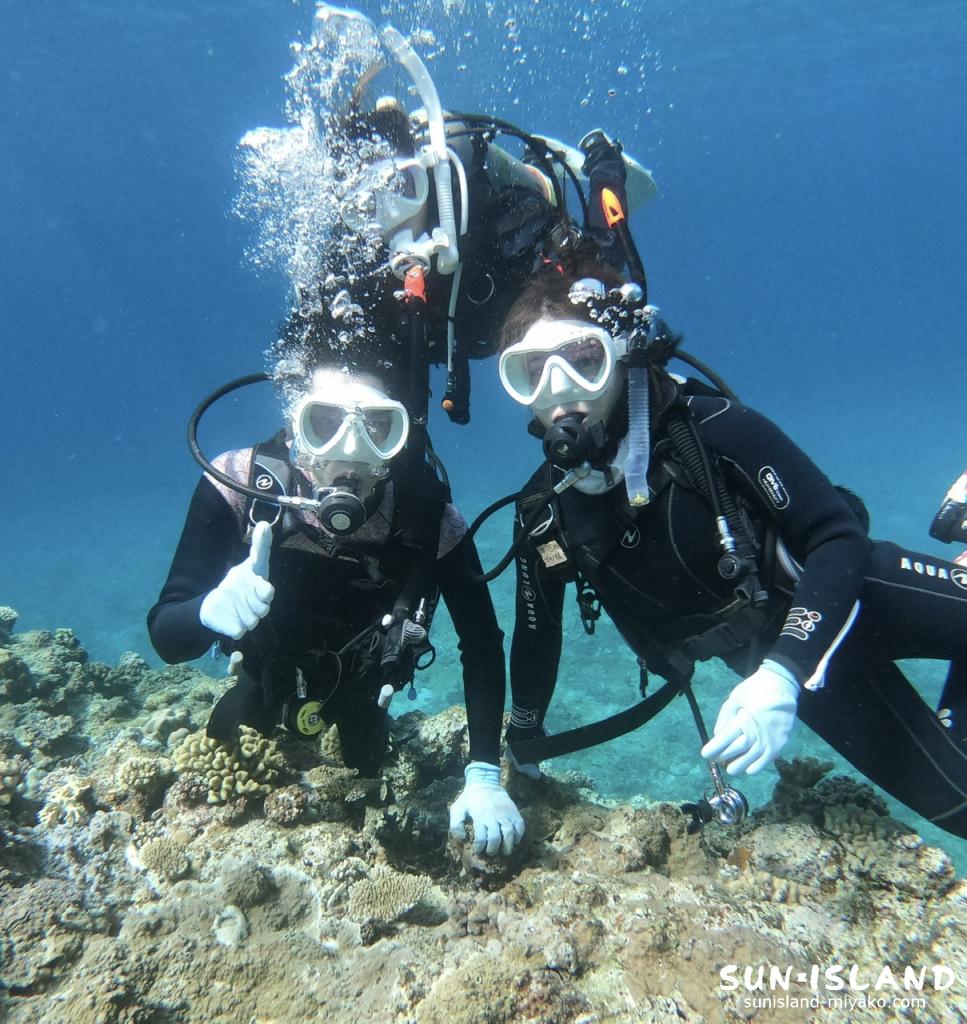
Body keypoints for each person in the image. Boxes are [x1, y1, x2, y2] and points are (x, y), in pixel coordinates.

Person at [492, 253, 967, 839]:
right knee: (962, 808)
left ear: (621, 356)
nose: (559, 391)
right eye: (531, 373)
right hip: (781, 661)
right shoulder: (546, 509)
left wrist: (784, 674)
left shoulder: (712, 428)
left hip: (855, 596)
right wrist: (525, 737)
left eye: (583, 361)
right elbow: (538, 631)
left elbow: (838, 537)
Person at [147, 314, 524, 857]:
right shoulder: (238, 485)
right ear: (294, 423)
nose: (349, 450)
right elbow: (166, 636)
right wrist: (206, 609)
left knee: (368, 775)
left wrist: (484, 771)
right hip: (263, 670)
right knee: (228, 741)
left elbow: (483, 644)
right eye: (324, 423)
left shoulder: (429, 518)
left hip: (365, 690)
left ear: (401, 434)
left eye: (376, 426)